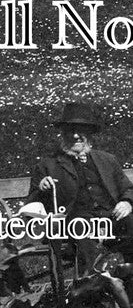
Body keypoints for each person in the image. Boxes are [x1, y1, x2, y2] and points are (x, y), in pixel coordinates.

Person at [27, 102, 133, 271]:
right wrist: (42, 189)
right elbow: (31, 205)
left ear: (90, 134)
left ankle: (126, 280)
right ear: (62, 134)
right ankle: (92, 285)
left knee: (131, 223)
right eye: (70, 131)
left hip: (110, 217)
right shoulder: (48, 165)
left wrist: (126, 202)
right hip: (73, 223)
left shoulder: (107, 160)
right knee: (82, 228)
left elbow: (127, 189)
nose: (76, 136)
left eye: (81, 130)